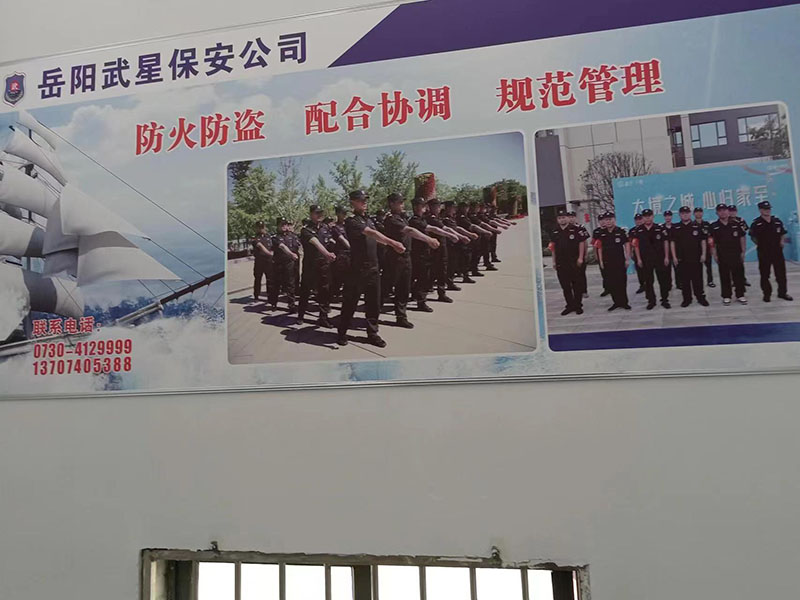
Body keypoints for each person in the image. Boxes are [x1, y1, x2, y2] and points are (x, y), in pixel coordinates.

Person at [337, 190, 405, 347]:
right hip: (358, 269)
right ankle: (342, 332)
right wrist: (393, 243)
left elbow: (378, 237)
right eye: (361, 200)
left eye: (365, 200)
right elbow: (371, 233)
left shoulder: (369, 219)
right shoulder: (352, 221)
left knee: (373, 304)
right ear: (353, 202)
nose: (365, 202)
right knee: (350, 303)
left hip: (374, 268)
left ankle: (372, 333)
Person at [382, 193, 440, 328]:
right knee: (386, 287)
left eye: (402, 202)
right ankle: (373, 312)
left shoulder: (402, 218)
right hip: (394, 258)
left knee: (404, 288)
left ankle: (401, 317)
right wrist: (429, 239)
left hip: (406, 257)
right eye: (400, 202)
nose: (402, 205)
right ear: (392, 204)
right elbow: (409, 230)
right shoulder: (391, 219)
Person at [298, 205, 337, 328]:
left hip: (323, 266)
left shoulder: (325, 228)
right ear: (311, 214)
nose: (319, 215)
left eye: (321, 213)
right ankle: (300, 315)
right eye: (316, 213)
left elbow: (331, 242)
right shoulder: (306, 230)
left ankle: (323, 317)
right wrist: (327, 254)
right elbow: (316, 243)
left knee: (324, 291)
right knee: (305, 291)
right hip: (310, 266)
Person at [750, 200, 793, 302]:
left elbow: (782, 233)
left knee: (781, 273)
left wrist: (781, 241)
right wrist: (761, 245)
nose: (767, 210)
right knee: (765, 274)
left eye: (768, 209)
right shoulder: (756, 223)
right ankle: (767, 294)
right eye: (765, 209)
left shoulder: (777, 221)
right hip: (764, 252)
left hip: (777, 251)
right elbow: (753, 237)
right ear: (760, 210)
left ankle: (782, 293)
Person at [630, 208, 671, 310]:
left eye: (649, 216)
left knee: (663, 280)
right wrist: (638, 259)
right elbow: (636, 246)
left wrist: (667, 256)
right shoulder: (638, 230)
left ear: (653, 216)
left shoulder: (660, 228)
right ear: (643, 218)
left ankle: (664, 300)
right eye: (645, 216)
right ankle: (651, 301)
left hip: (659, 258)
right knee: (648, 281)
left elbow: (666, 242)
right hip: (645, 259)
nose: (647, 218)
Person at [669, 206, 710, 307]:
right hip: (682, 259)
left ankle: (700, 298)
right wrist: (674, 257)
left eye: (687, 213)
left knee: (698, 279)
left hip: (696, 258)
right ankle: (687, 299)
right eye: (683, 213)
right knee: (684, 281)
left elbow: (703, 241)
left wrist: (703, 254)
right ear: (679, 215)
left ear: (690, 214)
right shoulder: (675, 227)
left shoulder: (697, 226)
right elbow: (672, 243)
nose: (685, 215)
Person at [709, 203, 747, 305]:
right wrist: (714, 254)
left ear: (728, 211)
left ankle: (740, 294)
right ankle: (726, 296)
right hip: (722, 254)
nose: (723, 212)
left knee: (738, 275)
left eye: (724, 210)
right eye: (720, 211)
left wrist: (743, 251)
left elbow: (742, 237)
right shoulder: (714, 226)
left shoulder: (736, 224)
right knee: (724, 276)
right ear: (717, 213)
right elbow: (711, 241)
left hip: (736, 253)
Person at [549, 208, 586, 315]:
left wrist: (580, 257)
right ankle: (570, 305)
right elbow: (553, 247)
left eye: (564, 217)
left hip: (574, 261)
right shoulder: (555, 231)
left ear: (568, 218)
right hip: (561, 263)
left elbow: (582, 243)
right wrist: (554, 261)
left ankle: (578, 305)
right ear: (557, 220)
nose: (562, 220)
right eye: (560, 218)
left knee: (576, 285)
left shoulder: (576, 229)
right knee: (565, 286)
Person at [426, 198, 461, 303]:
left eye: (439, 206)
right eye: (437, 206)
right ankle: (438, 292)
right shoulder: (431, 218)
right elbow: (442, 229)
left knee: (440, 269)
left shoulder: (438, 217)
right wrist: (454, 235)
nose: (439, 208)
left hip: (441, 247)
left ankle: (438, 291)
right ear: (431, 207)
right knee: (439, 270)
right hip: (435, 248)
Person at [594, 211, 631, 311]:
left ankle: (624, 302)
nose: (608, 221)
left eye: (610, 219)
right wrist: (601, 261)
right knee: (612, 283)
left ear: (614, 220)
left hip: (619, 261)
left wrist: (627, 258)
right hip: (607, 262)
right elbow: (599, 247)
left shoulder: (621, 231)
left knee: (621, 282)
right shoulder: (601, 233)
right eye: (606, 220)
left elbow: (627, 244)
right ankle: (616, 302)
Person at [269, 217, 301, 312]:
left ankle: (291, 305)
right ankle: (273, 303)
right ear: (278, 226)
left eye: (285, 224)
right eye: (282, 224)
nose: (284, 226)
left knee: (291, 284)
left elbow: (297, 246)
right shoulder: (275, 237)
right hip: (279, 264)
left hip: (289, 263)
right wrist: (291, 254)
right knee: (276, 284)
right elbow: (282, 246)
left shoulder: (292, 236)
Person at [443, 200, 477, 285]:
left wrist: (468, 234)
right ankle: (449, 282)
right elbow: (450, 230)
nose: (455, 209)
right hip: (450, 244)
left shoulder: (452, 218)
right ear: (448, 208)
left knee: (460, 261)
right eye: (453, 207)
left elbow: (457, 228)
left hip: (456, 243)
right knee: (451, 264)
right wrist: (462, 237)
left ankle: (463, 276)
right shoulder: (446, 219)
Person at [568, 211, 591, 298]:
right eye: (569, 217)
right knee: (572, 274)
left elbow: (585, 241)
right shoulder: (565, 229)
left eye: (572, 217)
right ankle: (576, 291)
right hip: (570, 256)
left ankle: (584, 291)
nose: (571, 219)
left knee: (581, 273)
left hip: (580, 254)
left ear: (576, 218)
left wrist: (585, 253)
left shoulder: (581, 228)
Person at [330, 205, 351, 300]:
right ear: (338, 214)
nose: (345, 215)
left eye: (346, 213)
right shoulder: (335, 227)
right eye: (343, 213)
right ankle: (332, 295)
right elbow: (342, 239)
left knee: (348, 277)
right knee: (338, 277)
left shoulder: (348, 225)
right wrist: (353, 249)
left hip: (349, 254)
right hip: (341, 254)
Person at [251, 221, 273, 302]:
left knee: (270, 279)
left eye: (262, 227)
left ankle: (270, 297)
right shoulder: (255, 238)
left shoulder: (268, 236)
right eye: (259, 227)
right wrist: (270, 254)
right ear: (256, 228)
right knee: (258, 279)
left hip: (268, 261)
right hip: (259, 261)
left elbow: (272, 246)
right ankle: (256, 295)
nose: (261, 229)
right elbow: (260, 247)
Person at [693, 207, 716, 288]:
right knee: (697, 268)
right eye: (697, 212)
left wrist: (712, 248)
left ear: (702, 213)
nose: (698, 213)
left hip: (707, 249)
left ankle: (710, 281)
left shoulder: (707, 224)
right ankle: (698, 282)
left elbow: (710, 237)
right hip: (696, 250)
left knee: (709, 266)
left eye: (700, 212)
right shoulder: (692, 225)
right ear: (694, 214)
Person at [592, 212, 611, 297]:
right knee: (604, 272)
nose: (602, 222)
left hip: (610, 254)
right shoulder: (596, 232)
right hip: (600, 255)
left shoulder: (610, 230)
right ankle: (606, 288)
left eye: (604, 220)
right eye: (600, 220)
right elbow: (594, 244)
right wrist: (595, 254)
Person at [662, 210, 678, 290]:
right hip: (665, 252)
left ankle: (679, 284)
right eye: (666, 216)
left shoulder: (676, 227)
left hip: (675, 251)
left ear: (672, 216)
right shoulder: (661, 228)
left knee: (677, 269)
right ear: (664, 217)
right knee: (666, 270)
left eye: (669, 216)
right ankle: (668, 285)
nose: (668, 218)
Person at [631, 213, 645, 294]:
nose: (638, 221)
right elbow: (630, 243)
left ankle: (648, 284)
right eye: (637, 220)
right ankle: (642, 285)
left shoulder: (646, 229)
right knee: (639, 270)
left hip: (646, 253)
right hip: (636, 253)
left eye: (640, 219)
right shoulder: (632, 231)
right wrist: (631, 253)